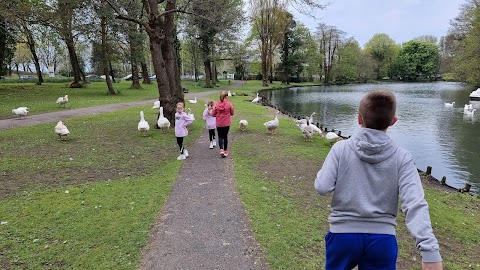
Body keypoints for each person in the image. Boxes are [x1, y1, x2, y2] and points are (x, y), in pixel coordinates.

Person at [314, 90, 442, 270]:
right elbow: (414, 203)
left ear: (359, 119)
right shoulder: (402, 157)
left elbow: (322, 187)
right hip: (382, 240)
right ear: (393, 121)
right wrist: (430, 251)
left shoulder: (340, 149)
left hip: (342, 237)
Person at [212, 91, 235, 157]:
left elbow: (213, 114)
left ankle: (221, 149)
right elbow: (232, 113)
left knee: (220, 136)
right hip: (226, 123)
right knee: (225, 136)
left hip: (219, 123)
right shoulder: (229, 104)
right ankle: (225, 150)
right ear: (226, 96)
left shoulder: (216, 104)